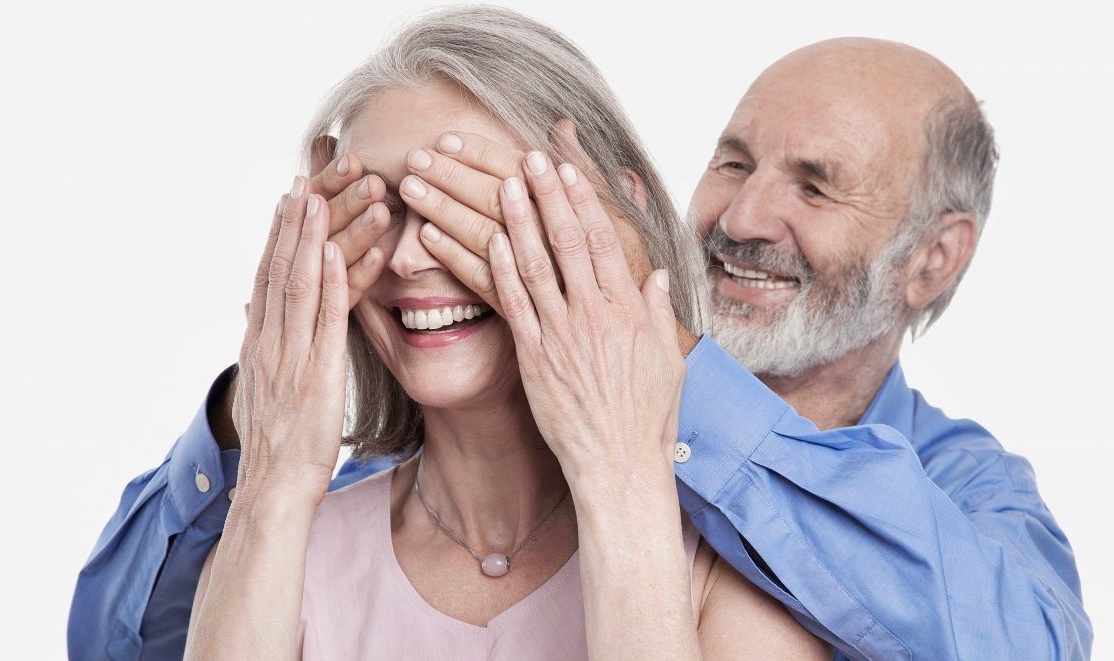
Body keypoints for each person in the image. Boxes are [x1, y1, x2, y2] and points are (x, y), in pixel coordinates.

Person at [68, 8, 1091, 661]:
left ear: (934, 259)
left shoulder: (936, 502)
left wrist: (638, 360)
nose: (738, 221)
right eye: (730, 163)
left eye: (471, 207)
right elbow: (110, 641)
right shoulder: (320, 526)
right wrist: (262, 445)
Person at [180, 19, 832, 653]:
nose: (409, 257)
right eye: (379, 208)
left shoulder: (737, 564)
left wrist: (618, 474)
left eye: (466, 209)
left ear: (613, 223)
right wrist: (276, 474)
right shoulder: (282, 547)